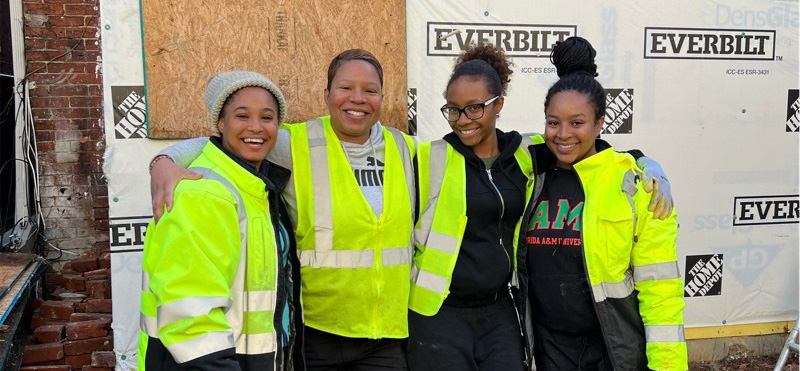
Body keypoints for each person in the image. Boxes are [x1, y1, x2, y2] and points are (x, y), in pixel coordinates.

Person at [408, 42, 676, 371]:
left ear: (498, 104)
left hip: (540, 325)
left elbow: (595, 156)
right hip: (458, 320)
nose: (463, 119)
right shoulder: (434, 159)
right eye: (454, 109)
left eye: (475, 108)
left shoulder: (528, 155)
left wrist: (645, 162)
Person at [149, 49, 416, 371]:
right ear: (327, 95)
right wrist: (164, 161)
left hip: (385, 336)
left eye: (370, 90)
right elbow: (223, 142)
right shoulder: (294, 142)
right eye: (345, 87)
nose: (357, 98)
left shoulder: (406, 149)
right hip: (316, 333)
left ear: (383, 97)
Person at [516, 37, 687, 371]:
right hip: (550, 350)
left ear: (600, 123)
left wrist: (667, 366)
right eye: (553, 122)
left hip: (614, 349)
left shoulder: (636, 186)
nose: (563, 134)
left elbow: (660, 289)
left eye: (577, 123)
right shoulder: (528, 169)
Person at [138, 71, 300, 371]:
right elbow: (190, 316)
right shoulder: (204, 193)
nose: (256, 127)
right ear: (221, 123)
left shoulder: (255, 189)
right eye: (242, 116)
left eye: (267, 117)